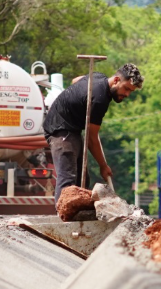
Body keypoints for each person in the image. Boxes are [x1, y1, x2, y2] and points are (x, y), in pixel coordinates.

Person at [43, 63, 143, 202]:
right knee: (68, 178)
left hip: (72, 129)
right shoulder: (100, 99)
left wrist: (77, 101)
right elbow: (91, 138)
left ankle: (77, 214)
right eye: (126, 88)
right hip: (60, 128)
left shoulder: (98, 76)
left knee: (82, 179)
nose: (126, 94)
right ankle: (64, 218)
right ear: (116, 80)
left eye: (130, 91)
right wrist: (103, 166)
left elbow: (75, 81)